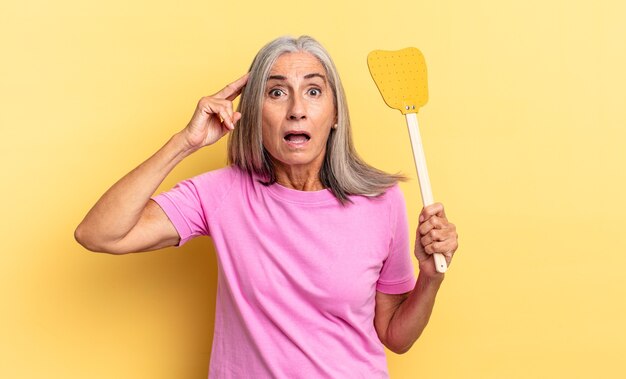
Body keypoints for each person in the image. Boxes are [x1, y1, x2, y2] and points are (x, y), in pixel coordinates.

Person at [75, 35, 459, 378]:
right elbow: (99, 234)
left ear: (336, 113)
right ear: (254, 115)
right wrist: (185, 143)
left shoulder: (381, 200)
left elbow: (395, 336)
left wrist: (430, 278)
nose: (296, 109)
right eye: (276, 92)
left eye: (313, 91)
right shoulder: (221, 193)